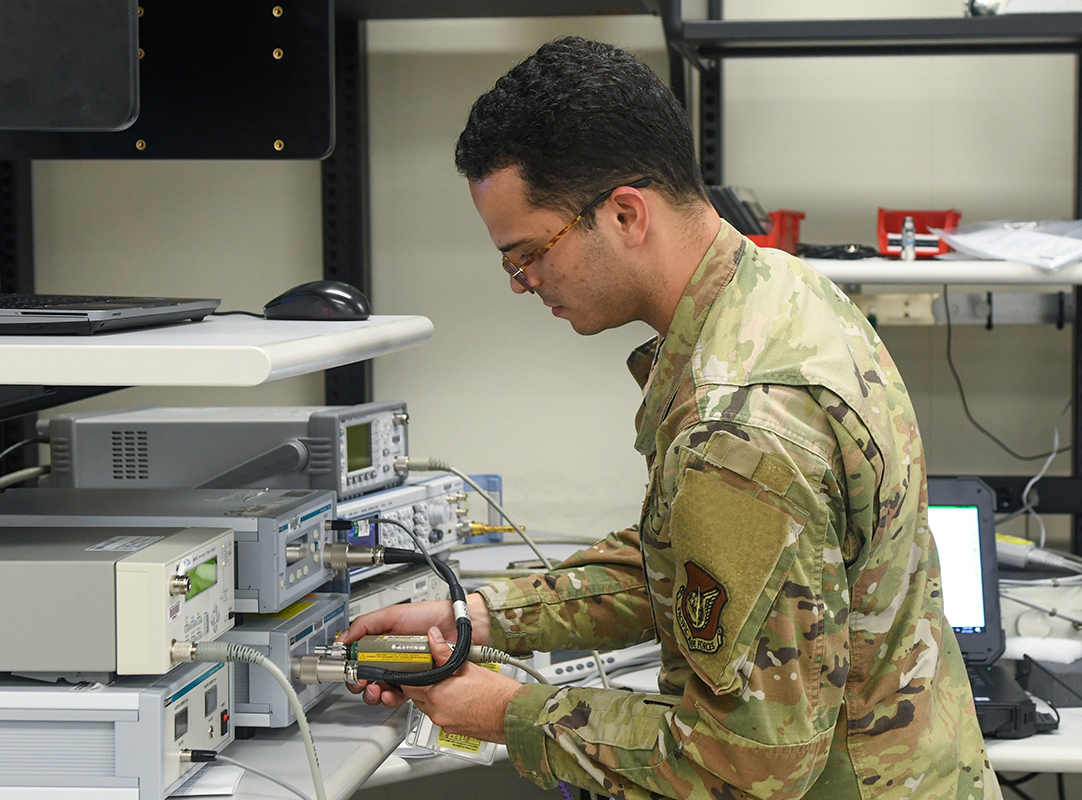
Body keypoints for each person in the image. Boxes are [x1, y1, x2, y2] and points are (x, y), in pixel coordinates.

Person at [343, 36, 1000, 800]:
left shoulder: (737, 429)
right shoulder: (781, 294)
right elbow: (688, 569)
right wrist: (484, 617)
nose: (521, 282)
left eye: (528, 253)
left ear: (625, 213)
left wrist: (507, 713)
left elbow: (744, 766)